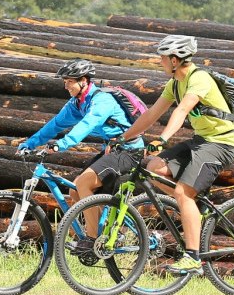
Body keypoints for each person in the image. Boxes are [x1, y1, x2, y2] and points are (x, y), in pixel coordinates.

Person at [119, 35, 234, 275]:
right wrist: (123, 138)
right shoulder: (174, 84)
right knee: (153, 168)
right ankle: (192, 205)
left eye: (162, 58)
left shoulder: (200, 79)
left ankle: (193, 258)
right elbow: (152, 114)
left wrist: (163, 139)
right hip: (201, 141)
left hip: (221, 143)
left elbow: (183, 110)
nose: (160, 62)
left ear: (174, 60)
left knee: (183, 191)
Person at [17, 59, 145, 237]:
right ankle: (104, 235)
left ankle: (92, 239)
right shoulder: (77, 103)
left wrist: (62, 144)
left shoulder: (102, 100)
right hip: (111, 150)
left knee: (84, 183)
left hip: (129, 151)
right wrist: (30, 143)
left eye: (69, 81)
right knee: (75, 190)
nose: (66, 86)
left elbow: (88, 124)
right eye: (65, 82)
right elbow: (55, 124)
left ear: (83, 80)